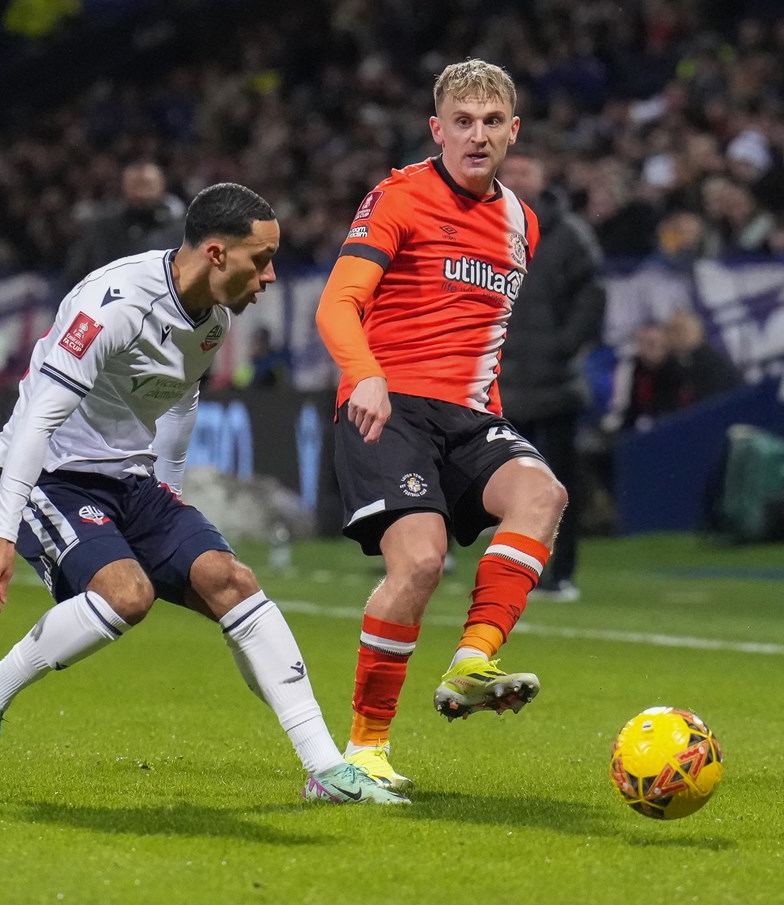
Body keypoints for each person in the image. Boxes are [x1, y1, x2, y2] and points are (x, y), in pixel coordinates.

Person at [0, 183, 406, 805]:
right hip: (55, 477)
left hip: (134, 481)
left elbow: (177, 405)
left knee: (232, 580)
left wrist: (169, 495)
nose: (270, 276)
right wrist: (0, 537)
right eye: (260, 260)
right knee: (127, 596)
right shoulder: (112, 307)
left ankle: (325, 769)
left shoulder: (211, 319)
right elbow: (38, 423)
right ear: (216, 254)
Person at [314, 59, 566, 793]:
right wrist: (363, 371)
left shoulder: (522, 222)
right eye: (462, 122)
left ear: (513, 132)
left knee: (542, 496)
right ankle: (361, 751)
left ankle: (472, 660)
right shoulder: (397, 197)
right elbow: (337, 303)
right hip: (387, 406)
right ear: (437, 129)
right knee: (420, 561)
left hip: (470, 418)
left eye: (492, 123)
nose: (477, 136)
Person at [495, 151, 607, 603]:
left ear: (542, 177)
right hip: (502, 383)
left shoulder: (567, 234)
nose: (520, 178)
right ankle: (521, 572)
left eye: (527, 170)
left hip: (554, 384)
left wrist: (563, 346)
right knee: (511, 488)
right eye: (513, 171)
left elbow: (592, 297)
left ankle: (559, 573)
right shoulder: (482, 226)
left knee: (557, 485)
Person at [62, 161, 186, 288]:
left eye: (147, 184)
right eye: (136, 184)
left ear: (161, 186)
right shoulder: (102, 230)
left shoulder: (180, 232)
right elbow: (77, 274)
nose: (142, 191)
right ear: (124, 186)